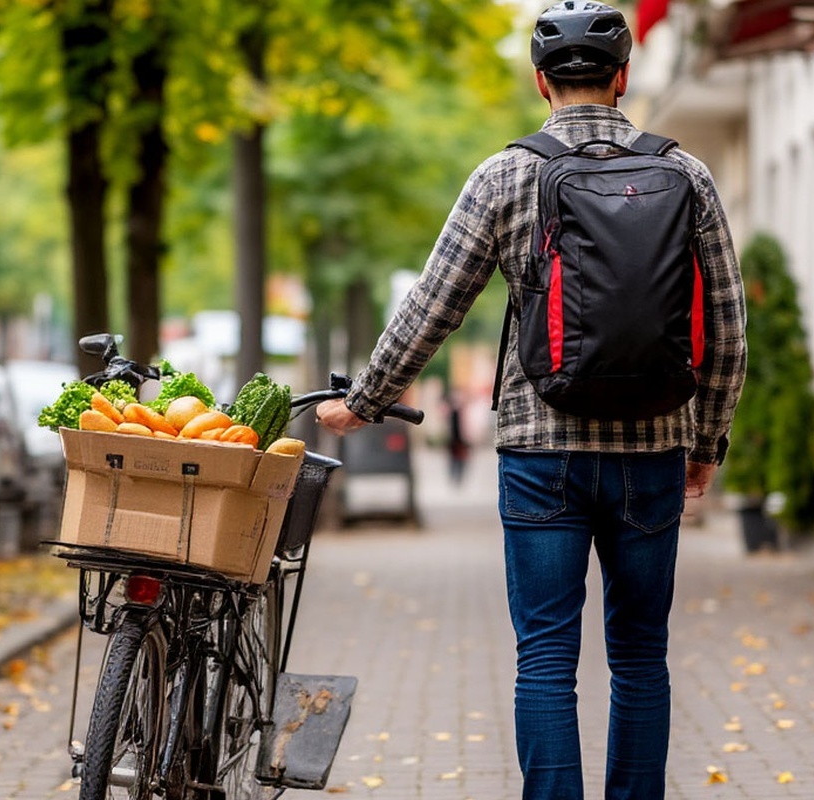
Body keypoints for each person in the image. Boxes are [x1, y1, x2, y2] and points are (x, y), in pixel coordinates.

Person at [316, 3, 747, 798]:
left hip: (540, 451)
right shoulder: (688, 175)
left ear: (540, 81)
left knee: (545, 655)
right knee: (641, 654)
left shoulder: (504, 174)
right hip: (653, 448)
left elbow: (433, 305)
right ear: (622, 78)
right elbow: (728, 326)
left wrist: (366, 401)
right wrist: (706, 445)